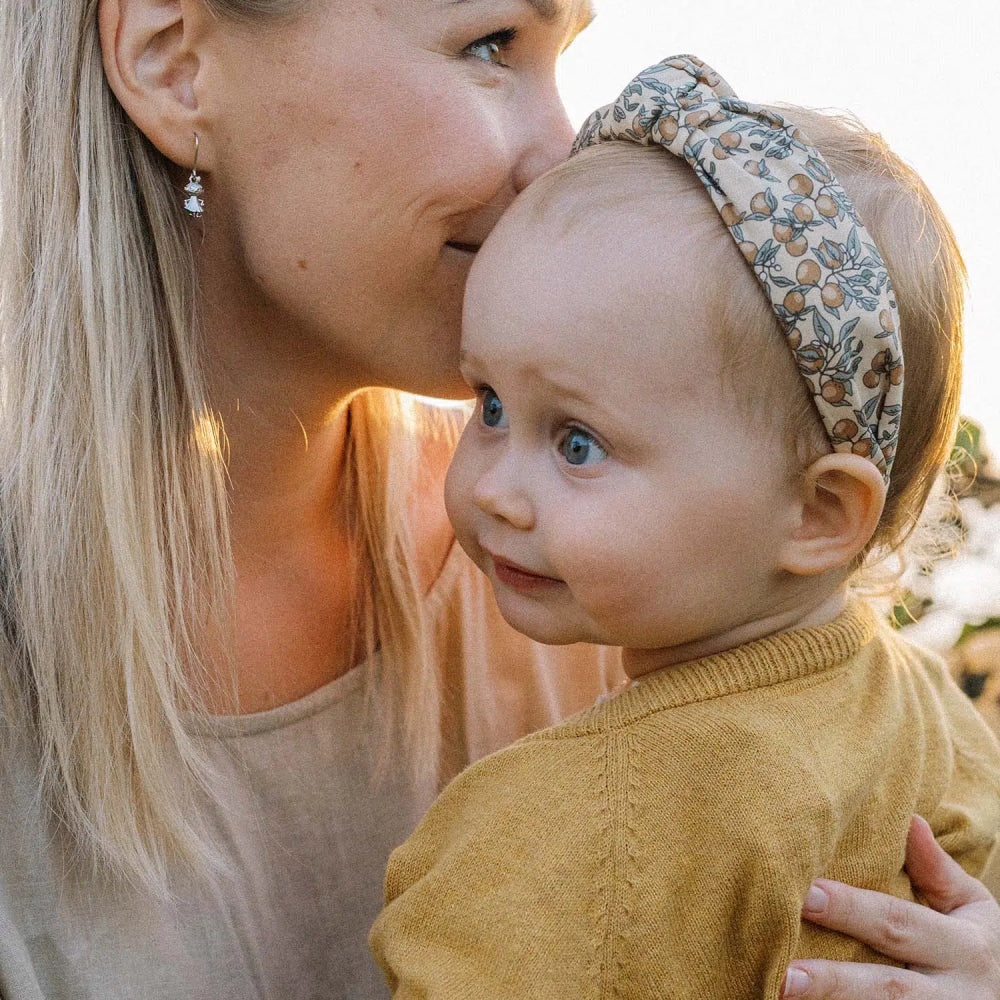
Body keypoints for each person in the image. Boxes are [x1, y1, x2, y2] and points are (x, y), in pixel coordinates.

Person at [0, 1, 996, 995]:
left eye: (575, 441)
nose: (561, 150)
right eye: (491, 46)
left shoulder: (612, 578)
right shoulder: (574, 537)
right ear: (175, 61)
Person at [369, 56, 1000, 998]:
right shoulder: (926, 715)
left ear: (819, 514)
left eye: (577, 443)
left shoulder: (556, 837)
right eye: (490, 404)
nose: (496, 489)